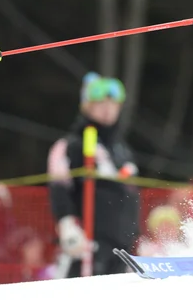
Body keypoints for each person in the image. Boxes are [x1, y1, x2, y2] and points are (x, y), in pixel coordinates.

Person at [47, 72, 140, 277]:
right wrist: (67, 225)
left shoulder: (123, 150)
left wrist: (137, 237)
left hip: (122, 246)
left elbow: (131, 196)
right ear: (87, 106)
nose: (107, 110)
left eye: (113, 104)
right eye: (100, 104)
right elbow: (59, 189)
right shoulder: (71, 146)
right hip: (86, 246)